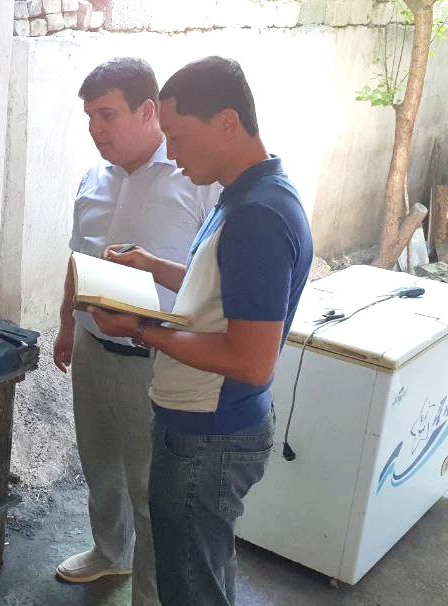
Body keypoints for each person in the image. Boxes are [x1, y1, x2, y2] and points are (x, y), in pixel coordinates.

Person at [88, 56, 313, 606]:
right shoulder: (243, 194)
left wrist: (141, 330)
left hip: (211, 435)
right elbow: (220, 290)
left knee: (191, 586)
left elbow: (251, 361)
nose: (172, 152)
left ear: (227, 123)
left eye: (179, 136)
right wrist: (152, 266)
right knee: (200, 572)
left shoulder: (259, 216)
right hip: (200, 425)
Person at [54, 57, 219, 606]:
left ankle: (149, 594)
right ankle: (110, 553)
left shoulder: (195, 182)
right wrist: (66, 323)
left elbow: (211, 280)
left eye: (107, 115)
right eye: (89, 118)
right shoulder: (93, 180)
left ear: (148, 111)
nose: (95, 129)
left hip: (154, 359)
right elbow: (77, 258)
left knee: (150, 487)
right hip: (91, 347)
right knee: (99, 463)